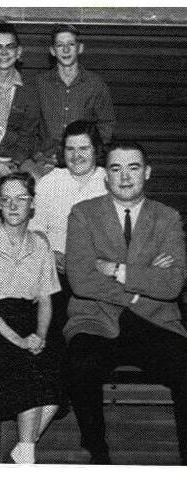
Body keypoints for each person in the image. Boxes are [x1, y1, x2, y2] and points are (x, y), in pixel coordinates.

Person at [63, 141, 187, 465]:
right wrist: (137, 286)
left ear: (146, 173)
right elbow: (80, 279)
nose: (125, 176)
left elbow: (173, 283)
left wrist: (117, 269)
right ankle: (98, 455)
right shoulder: (83, 214)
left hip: (154, 319)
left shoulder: (168, 218)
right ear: (106, 177)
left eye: (133, 167)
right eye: (116, 168)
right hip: (96, 318)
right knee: (80, 364)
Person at [0, 172, 63, 464]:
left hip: (32, 319)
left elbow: (46, 299)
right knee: (26, 371)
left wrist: (41, 335)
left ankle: (22, 451)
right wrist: (19, 340)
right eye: (5, 199)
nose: (13, 206)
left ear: (32, 204)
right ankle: (26, 455)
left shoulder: (41, 245)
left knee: (57, 379)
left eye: (20, 198)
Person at [29, 120, 108, 346]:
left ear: (96, 150)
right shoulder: (50, 182)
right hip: (55, 271)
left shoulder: (107, 181)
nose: (76, 156)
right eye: (70, 149)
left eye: (84, 148)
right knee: (51, 330)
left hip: (95, 273)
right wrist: (51, 255)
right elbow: (35, 229)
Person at [0, 23, 46, 178]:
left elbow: (29, 133)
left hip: (19, 159)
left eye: (10, 47)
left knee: (38, 182)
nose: (4, 52)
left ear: (18, 52)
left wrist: (16, 162)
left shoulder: (31, 89)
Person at [35, 24, 115, 162]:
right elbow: (29, 125)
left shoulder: (95, 83)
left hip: (82, 161)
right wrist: (38, 154)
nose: (66, 50)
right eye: (60, 45)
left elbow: (107, 123)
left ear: (80, 48)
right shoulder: (39, 83)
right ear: (52, 51)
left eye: (71, 44)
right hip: (46, 161)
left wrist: (91, 152)